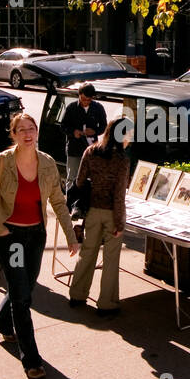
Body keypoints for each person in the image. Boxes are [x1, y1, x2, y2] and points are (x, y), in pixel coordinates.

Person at [0, 113, 80, 379]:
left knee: (25, 287)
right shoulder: (1, 163)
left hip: (36, 236)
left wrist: (71, 236)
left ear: (37, 132)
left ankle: (1, 321)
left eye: (31, 129)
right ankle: (31, 359)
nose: (27, 134)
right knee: (22, 298)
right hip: (10, 236)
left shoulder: (46, 163)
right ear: (12, 134)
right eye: (21, 130)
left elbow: (58, 201)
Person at [69, 119, 131, 317]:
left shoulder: (91, 151)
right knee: (111, 259)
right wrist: (120, 222)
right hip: (112, 212)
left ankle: (77, 294)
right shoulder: (122, 160)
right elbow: (119, 195)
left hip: (93, 210)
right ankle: (107, 302)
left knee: (87, 253)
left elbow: (79, 181)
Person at [60, 83, 106, 190]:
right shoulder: (71, 108)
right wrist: (73, 132)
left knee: (91, 178)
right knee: (72, 178)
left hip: (91, 149)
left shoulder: (98, 108)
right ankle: (70, 203)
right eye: (83, 99)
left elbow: (104, 126)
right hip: (74, 148)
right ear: (79, 95)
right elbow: (63, 126)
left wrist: (95, 131)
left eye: (88, 100)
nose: (85, 102)